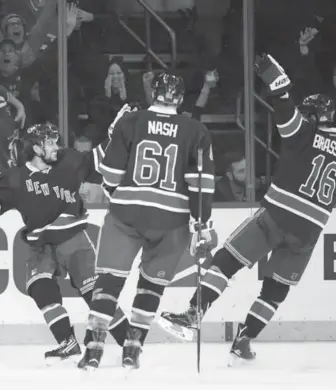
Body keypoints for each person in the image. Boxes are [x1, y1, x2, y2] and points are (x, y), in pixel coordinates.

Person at [158, 54, 336, 365]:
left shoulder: (304, 134)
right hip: (308, 231)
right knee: (275, 290)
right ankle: (244, 340)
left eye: (308, 114)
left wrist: (278, 84)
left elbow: (285, 112)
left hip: (277, 214)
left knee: (226, 261)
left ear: (315, 117)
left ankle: (195, 312)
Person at [0, 123, 132, 364]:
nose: (56, 146)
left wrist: (116, 133)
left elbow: (100, 157)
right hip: (40, 245)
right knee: (40, 288)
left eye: (55, 141)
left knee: (97, 296)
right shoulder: (15, 178)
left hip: (74, 240)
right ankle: (68, 343)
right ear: (36, 148)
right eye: (50, 142)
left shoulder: (70, 161)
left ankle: (130, 344)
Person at [83, 72, 217, 370]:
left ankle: (93, 350)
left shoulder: (131, 121)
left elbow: (111, 176)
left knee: (109, 282)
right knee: (151, 286)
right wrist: (202, 226)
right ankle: (133, 348)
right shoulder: (196, 130)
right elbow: (201, 185)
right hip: (172, 219)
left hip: (127, 213)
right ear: (180, 98)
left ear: (152, 94)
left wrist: (113, 134)